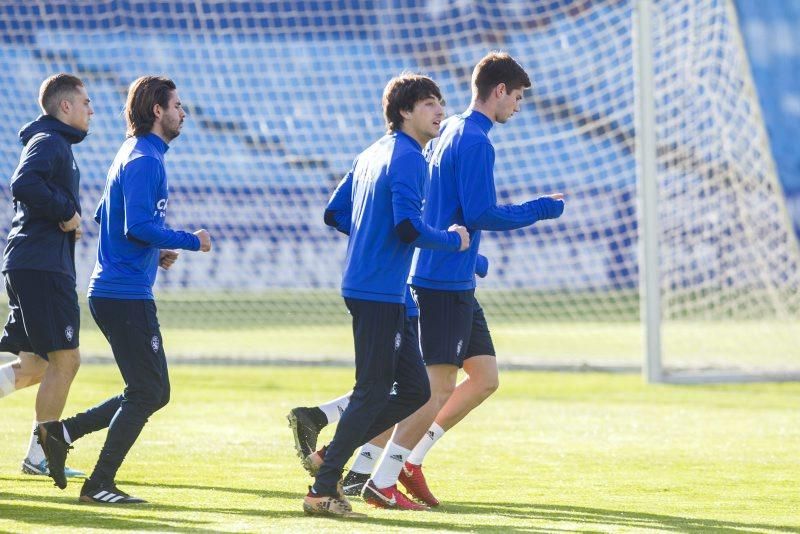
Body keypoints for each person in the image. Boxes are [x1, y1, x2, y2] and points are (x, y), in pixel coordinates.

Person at [391, 51, 564, 507]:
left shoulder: (449, 128)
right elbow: (481, 212)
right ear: (499, 91)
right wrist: (541, 207)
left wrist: (472, 261)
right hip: (440, 282)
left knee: (484, 378)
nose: (519, 106)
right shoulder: (475, 140)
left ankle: (410, 460)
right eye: (518, 96)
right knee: (428, 389)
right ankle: (359, 460)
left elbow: (446, 206)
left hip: (455, 275)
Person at [33, 75, 212, 504]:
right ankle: (97, 485)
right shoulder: (146, 159)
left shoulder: (135, 153)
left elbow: (103, 214)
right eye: (177, 105)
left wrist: (154, 254)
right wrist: (188, 240)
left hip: (119, 290)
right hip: (123, 294)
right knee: (150, 391)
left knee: (150, 390)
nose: (183, 113)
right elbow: (135, 225)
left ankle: (62, 432)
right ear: (157, 111)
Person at [302, 73, 470, 518]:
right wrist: (452, 239)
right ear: (404, 112)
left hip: (380, 289)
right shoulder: (410, 157)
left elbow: (333, 213)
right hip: (377, 290)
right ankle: (322, 488)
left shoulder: (371, 151)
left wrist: (368, 238)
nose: (440, 111)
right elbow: (409, 228)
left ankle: (327, 457)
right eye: (430, 104)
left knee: (414, 389)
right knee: (373, 390)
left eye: (441, 103)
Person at [288, 255, 489, 497]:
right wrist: (456, 247)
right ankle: (362, 470)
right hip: (423, 286)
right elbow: (412, 228)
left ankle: (324, 423)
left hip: (446, 284)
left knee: (474, 381)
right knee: (405, 388)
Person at [0, 74, 93, 479]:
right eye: (86, 102)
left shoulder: (56, 143)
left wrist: (68, 217)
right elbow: (22, 181)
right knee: (67, 359)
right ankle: (41, 456)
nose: (92, 109)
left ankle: (38, 454)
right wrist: (65, 212)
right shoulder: (50, 141)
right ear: (65, 106)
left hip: (33, 263)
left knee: (37, 365)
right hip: (40, 267)